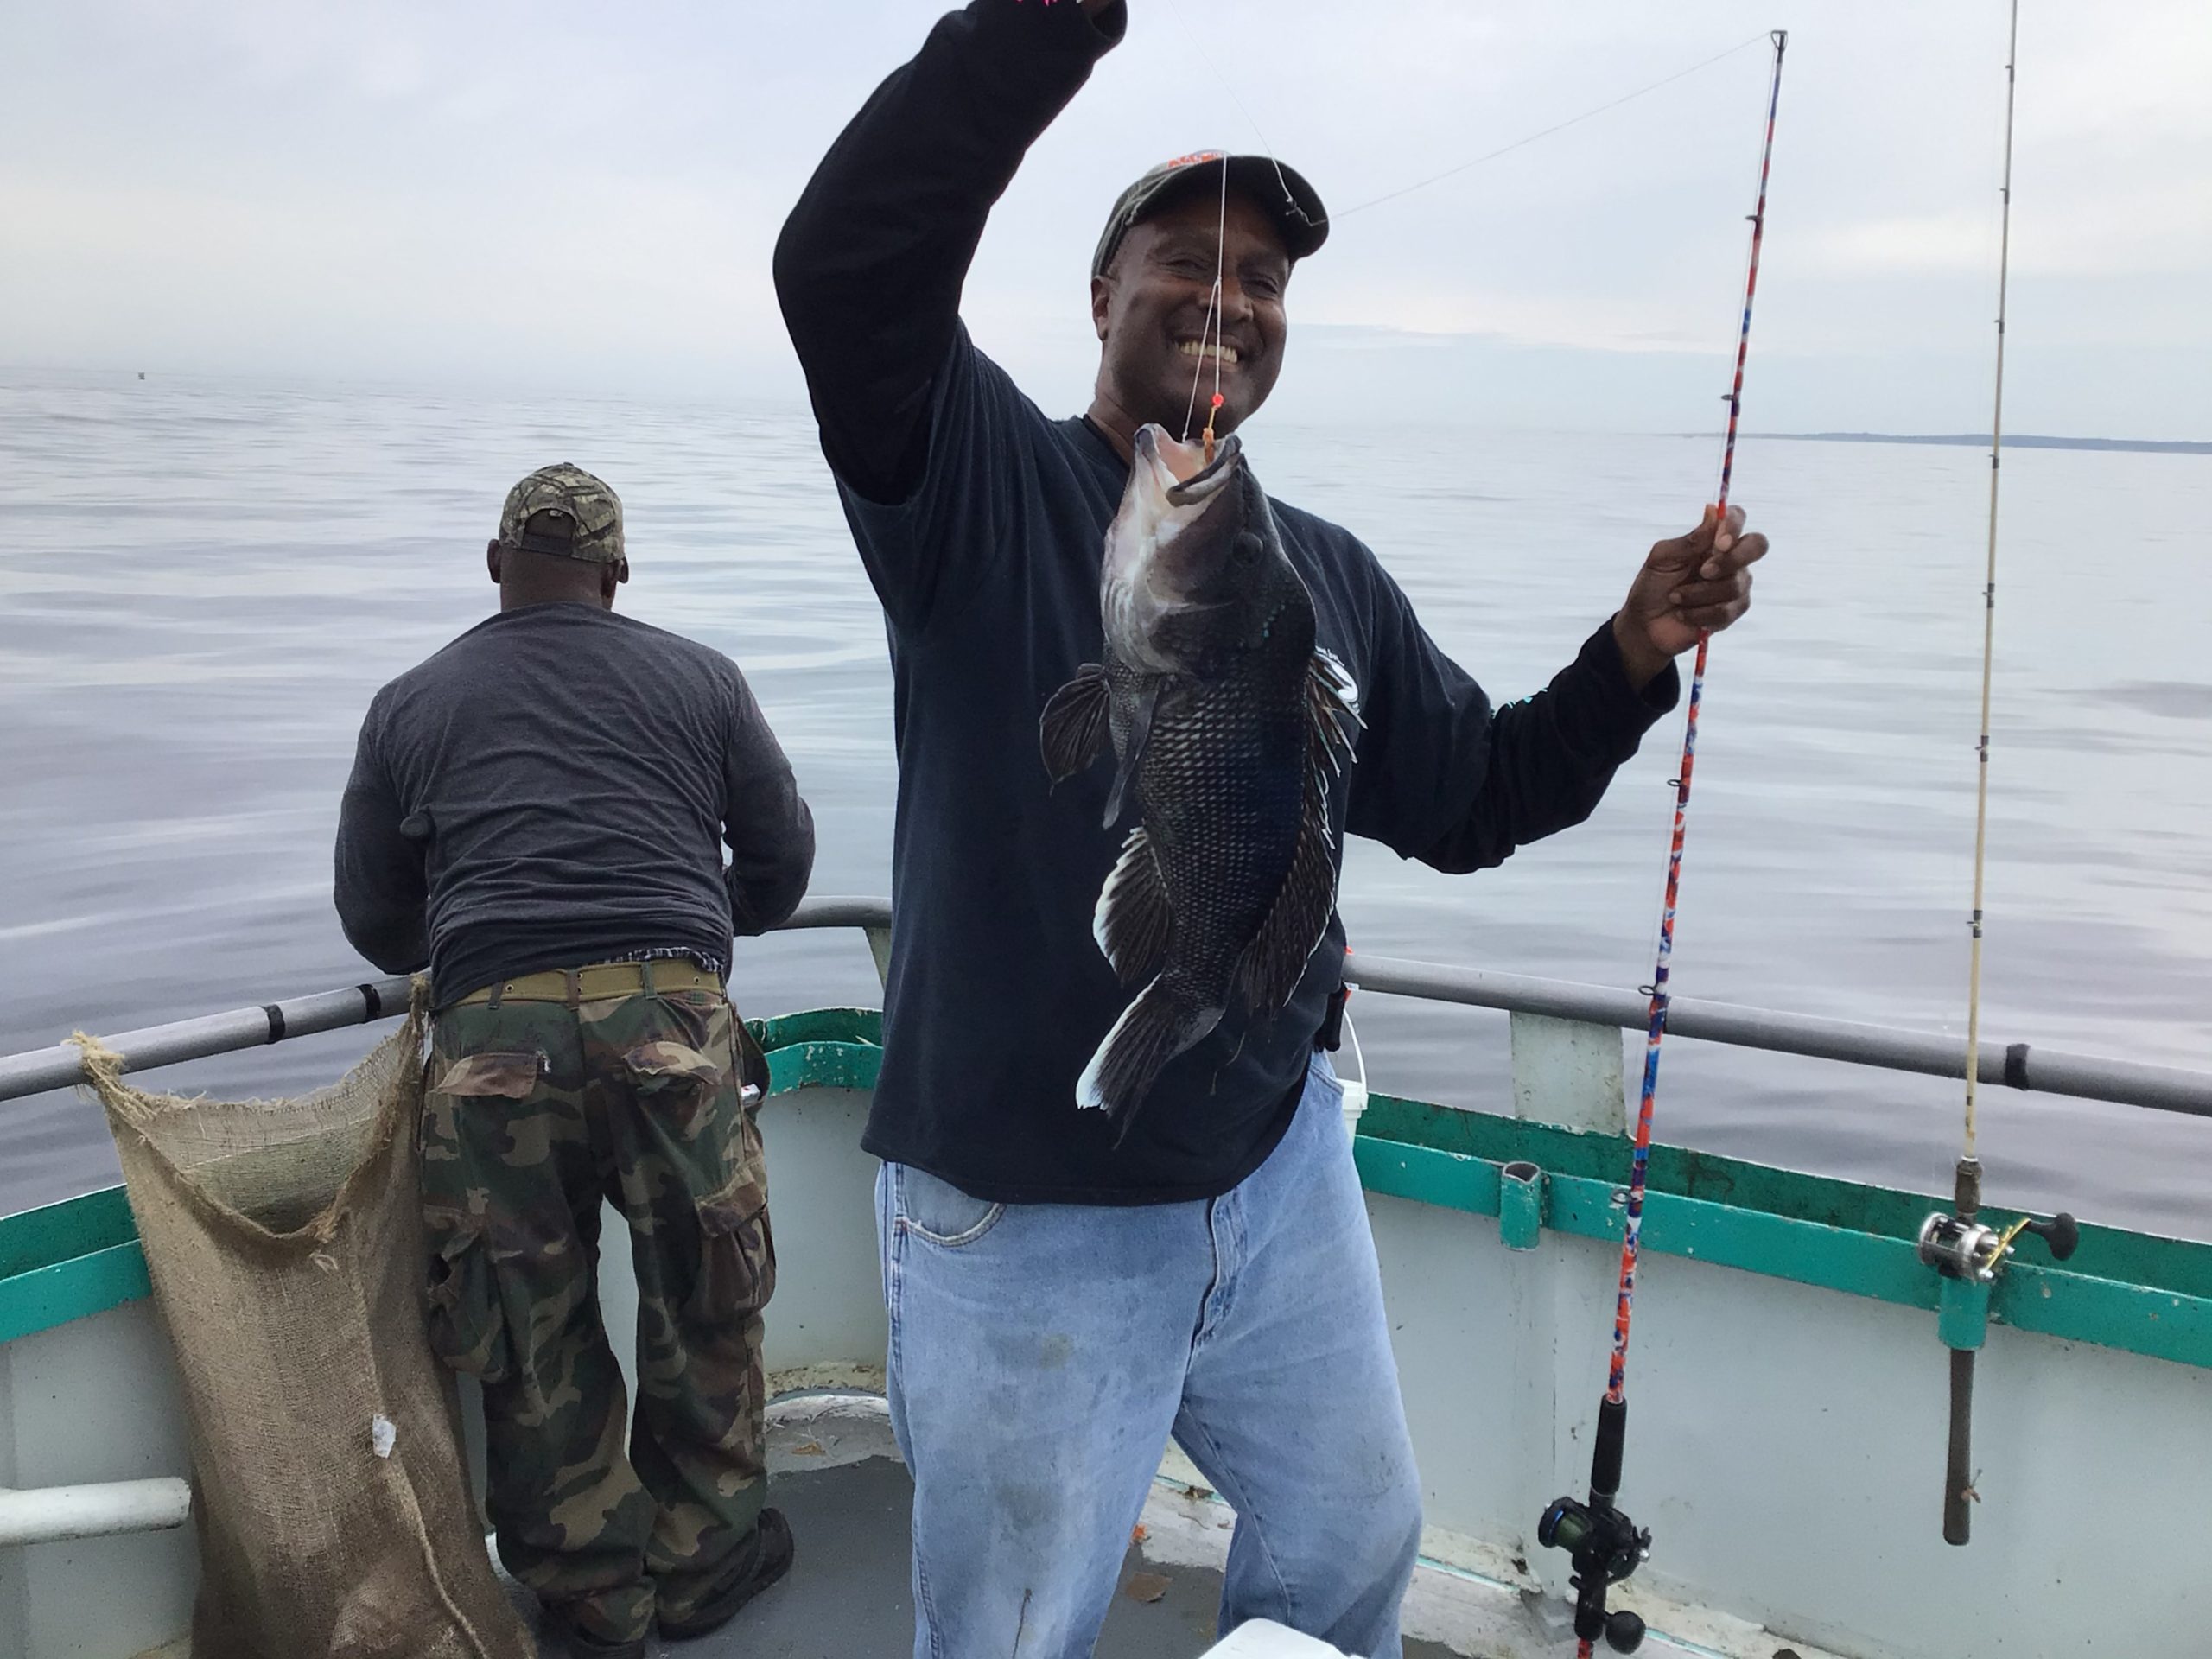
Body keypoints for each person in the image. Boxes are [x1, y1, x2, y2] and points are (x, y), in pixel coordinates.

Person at [775, 4, 1768, 1656]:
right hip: (1029, 1213)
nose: (1228, 301)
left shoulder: (1315, 568)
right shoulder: (976, 488)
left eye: (1266, 280)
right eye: (1186, 260)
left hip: (1277, 1166)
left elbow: (1475, 797)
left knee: (1355, 1544)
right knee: (1015, 1631)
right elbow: (846, 268)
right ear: (1101, 297)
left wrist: (1628, 659)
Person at [333, 462, 815, 1659]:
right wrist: (701, 931)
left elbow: (372, 918)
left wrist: (472, 952)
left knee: (524, 1323)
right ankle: (705, 1564)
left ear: (498, 565)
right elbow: (783, 862)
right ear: (617, 575)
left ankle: (592, 1599)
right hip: (671, 1017)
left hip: (491, 1035)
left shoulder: (410, 702)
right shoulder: (702, 679)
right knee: (705, 1292)